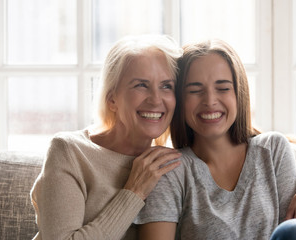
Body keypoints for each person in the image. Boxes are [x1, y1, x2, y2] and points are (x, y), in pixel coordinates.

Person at [135, 39, 296, 239]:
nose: (209, 101)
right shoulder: (169, 171)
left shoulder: (273, 150)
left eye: (223, 88)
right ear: (180, 99)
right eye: (195, 90)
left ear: (238, 93)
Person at [30, 35, 183, 239]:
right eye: (141, 85)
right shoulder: (69, 151)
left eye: (166, 86)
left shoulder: (168, 164)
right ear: (112, 99)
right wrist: (134, 192)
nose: (156, 99)